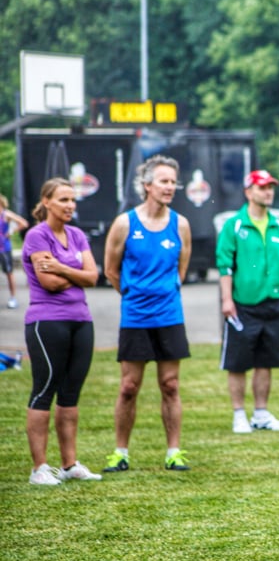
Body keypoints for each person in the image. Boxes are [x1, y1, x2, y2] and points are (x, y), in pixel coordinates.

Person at [103, 155, 193, 472]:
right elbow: (110, 270)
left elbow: (181, 270)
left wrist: (163, 293)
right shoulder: (125, 223)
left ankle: (174, 452)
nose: (170, 187)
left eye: (173, 182)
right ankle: (120, 453)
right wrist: (134, 295)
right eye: (164, 181)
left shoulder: (181, 224)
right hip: (135, 317)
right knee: (129, 387)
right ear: (147, 185)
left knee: (170, 385)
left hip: (169, 316)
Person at [22, 178, 102, 485]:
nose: (70, 205)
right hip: (47, 321)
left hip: (81, 319)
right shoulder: (37, 236)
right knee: (44, 390)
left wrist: (62, 268)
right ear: (46, 202)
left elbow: (93, 277)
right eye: (63, 200)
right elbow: (49, 283)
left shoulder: (77, 235)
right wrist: (77, 274)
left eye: (73, 200)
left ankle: (69, 464)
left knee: (70, 394)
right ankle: (39, 468)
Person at [217, 169, 279, 434]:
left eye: (270, 187)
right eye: (262, 187)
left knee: (266, 361)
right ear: (248, 192)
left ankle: (261, 413)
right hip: (243, 305)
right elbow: (225, 265)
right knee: (238, 362)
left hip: (274, 304)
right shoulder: (235, 225)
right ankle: (239, 414)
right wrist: (227, 300)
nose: (268, 192)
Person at [1, 192, 30, 308]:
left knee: (9, 273)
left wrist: (11, 232)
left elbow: (24, 223)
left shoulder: (6, 214)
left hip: (4, 248)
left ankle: (13, 298)